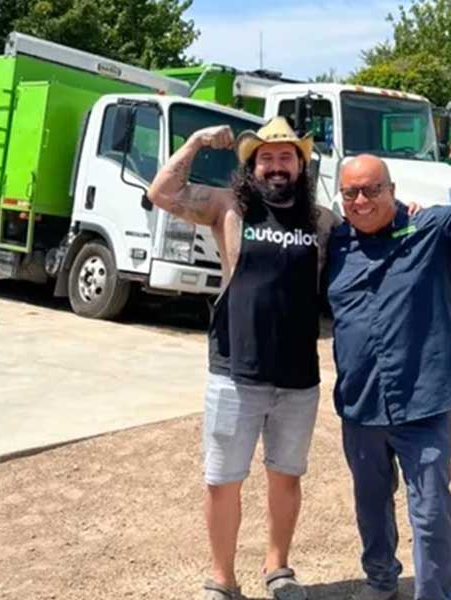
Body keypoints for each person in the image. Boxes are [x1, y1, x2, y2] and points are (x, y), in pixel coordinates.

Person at [146, 117, 339, 600]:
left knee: (286, 477)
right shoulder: (228, 207)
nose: (276, 166)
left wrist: (405, 208)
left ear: (301, 165)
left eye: (286, 156)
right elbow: (161, 193)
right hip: (235, 371)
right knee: (223, 480)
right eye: (265, 158)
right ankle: (223, 580)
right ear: (252, 168)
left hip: (298, 377)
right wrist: (195, 142)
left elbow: (374, 226)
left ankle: (278, 569)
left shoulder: (322, 221)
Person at [326, 138, 451, 600]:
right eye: (351, 192)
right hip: (361, 402)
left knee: (431, 512)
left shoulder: (429, 227)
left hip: (424, 400)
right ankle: (381, 580)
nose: (361, 200)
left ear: (392, 190)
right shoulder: (334, 242)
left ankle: (435, 593)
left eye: (372, 190)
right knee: (371, 506)